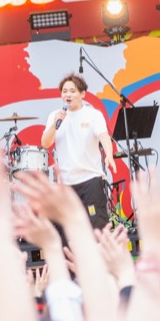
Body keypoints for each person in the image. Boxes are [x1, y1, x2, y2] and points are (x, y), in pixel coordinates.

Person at [39, 73, 117, 229]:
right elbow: (45, 143)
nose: (68, 95)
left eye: (72, 91)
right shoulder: (55, 116)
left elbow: (103, 136)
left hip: (90, 180)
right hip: (66, 184)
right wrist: (55, 124)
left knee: (97, 228)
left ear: (83, 94)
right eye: (64, 91)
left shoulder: (93, 115)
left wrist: (109, 155)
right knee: (69, 231)